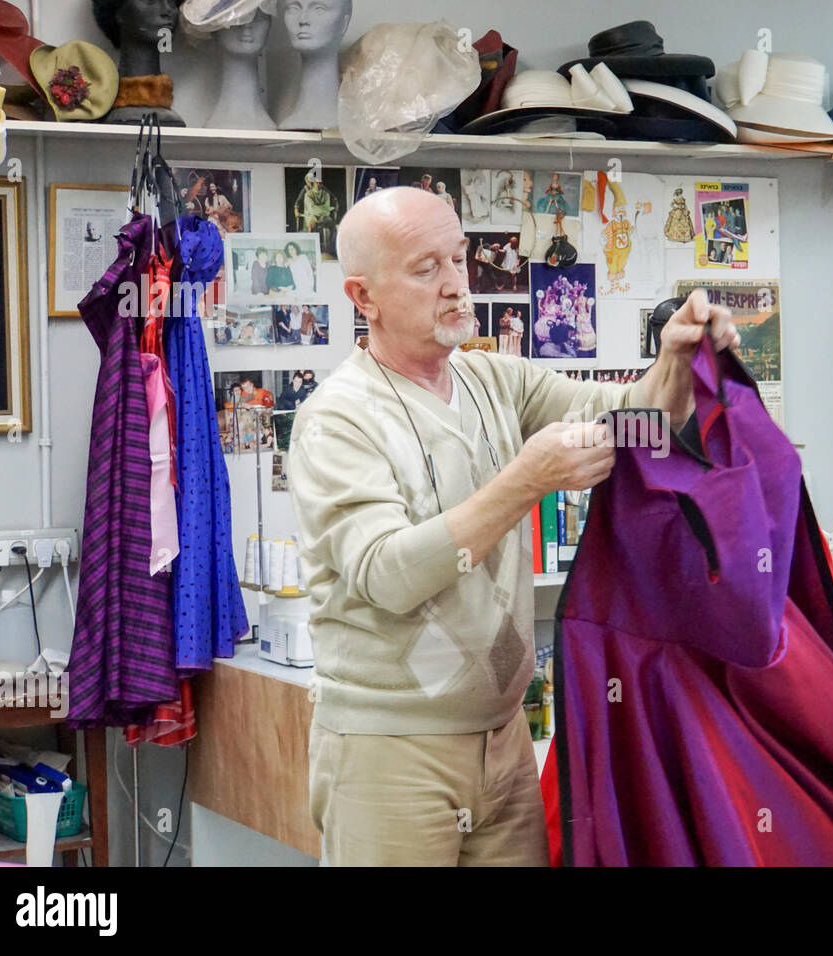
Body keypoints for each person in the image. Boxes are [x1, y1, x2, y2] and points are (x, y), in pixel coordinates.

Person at [287, 185, 737, 866]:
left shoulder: (492, 380)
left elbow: (635, 423)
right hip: (389, 753)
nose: (454, 286)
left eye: (458, 259)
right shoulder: (338, 418)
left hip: (502, 741)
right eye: (424, 268)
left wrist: (677, 364)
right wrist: (525, 481)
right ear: (363, 297)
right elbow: (387, 575)